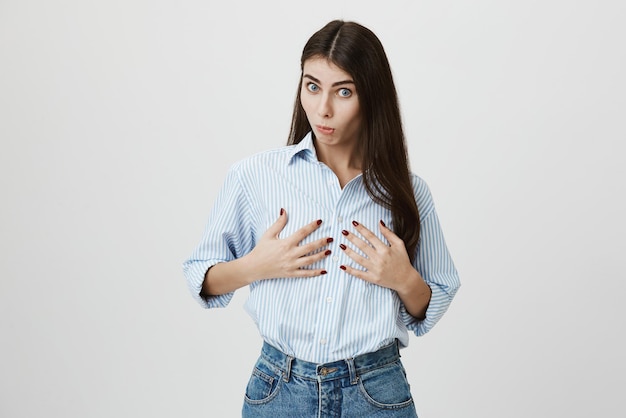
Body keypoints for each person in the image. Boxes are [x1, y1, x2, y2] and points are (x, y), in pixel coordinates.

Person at [183, 19, 461, 417]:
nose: (323, 108)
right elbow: (200, 276)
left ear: (371, 97)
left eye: (343, 91)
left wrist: (403, 279)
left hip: (375, 391)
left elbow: (431, 302)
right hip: (279, 390)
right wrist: (255, 266)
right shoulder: (255, 176)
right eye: (312, 86)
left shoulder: (408, 192)